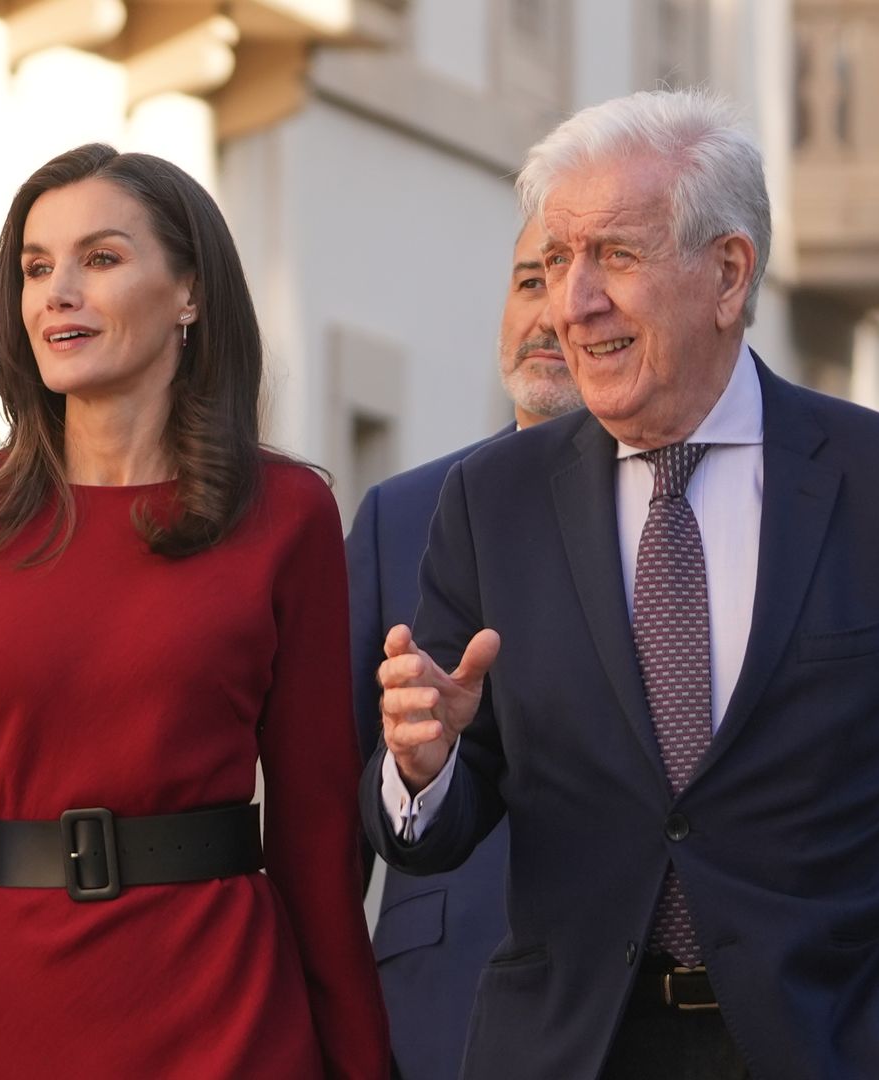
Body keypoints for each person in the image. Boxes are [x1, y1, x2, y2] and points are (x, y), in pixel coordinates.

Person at [363, 88, 879, 1080]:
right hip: (574, 1052)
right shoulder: (493, 501)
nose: (573, 303)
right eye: (556, 263)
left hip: (843, 1048)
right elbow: (437, 827)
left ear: (728, 274)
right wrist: (425, 765)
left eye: (613, 255)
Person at [0, 142, 388, 1079]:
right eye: (36, 267)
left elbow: (315, 829)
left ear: (189, 292)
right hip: (19, 1012)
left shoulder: (287, 515)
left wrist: (360, 1056)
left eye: (100, 259)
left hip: (229, 1009)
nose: (57, 291)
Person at [345, 216, 580, 1080]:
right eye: (530, 283)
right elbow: (331, 806)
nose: (551, 315)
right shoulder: (398, 515)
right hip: (441, 1008)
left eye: (577, 285)